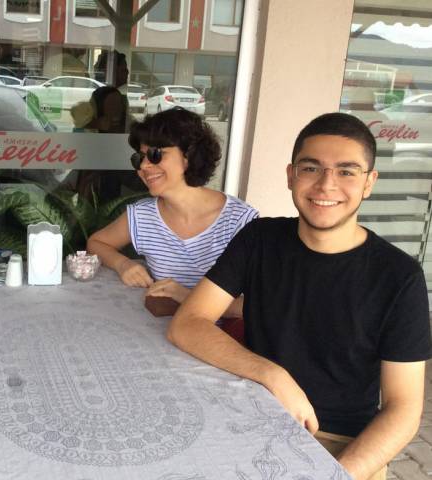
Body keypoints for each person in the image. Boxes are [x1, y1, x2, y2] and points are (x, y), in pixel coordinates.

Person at [167, 112, 431, 480]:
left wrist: (335, 475)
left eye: (346, 171)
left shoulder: (399, 276)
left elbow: (403, 410)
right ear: (291, 175)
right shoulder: (259, 239)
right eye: (311, 168)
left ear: (369, 182)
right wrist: (274, 376)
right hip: (251, 417)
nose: (326, 185)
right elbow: (187, 324)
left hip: (340, 442)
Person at [87, 107, 257, 313]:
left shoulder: (239, 221)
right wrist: (123, 264)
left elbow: (260, 305)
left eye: (155, 154)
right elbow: (96, 243)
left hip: (217, 332)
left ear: (189, 156)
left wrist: (186, 296)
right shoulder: (143, 216)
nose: (144, 166)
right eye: (139, 158)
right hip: (158, 327)